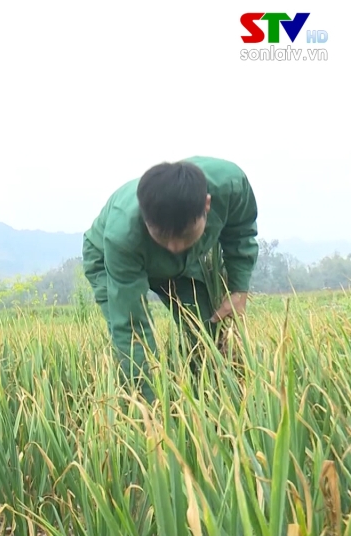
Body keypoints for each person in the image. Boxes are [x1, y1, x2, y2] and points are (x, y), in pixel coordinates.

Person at [82, 156, 259, 399]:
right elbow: (132, 328)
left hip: (186, 265)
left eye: (185, 235)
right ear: (145, 219)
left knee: (208, 331)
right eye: (163, 236)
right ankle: (145, 402)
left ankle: (210, 399)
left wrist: (239, 289)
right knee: (133, 342)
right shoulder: (121, 237)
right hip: (109, 258)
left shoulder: (230, 184)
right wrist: (154, 410)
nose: (174, 247)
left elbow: (241, 233)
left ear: (206, 205)